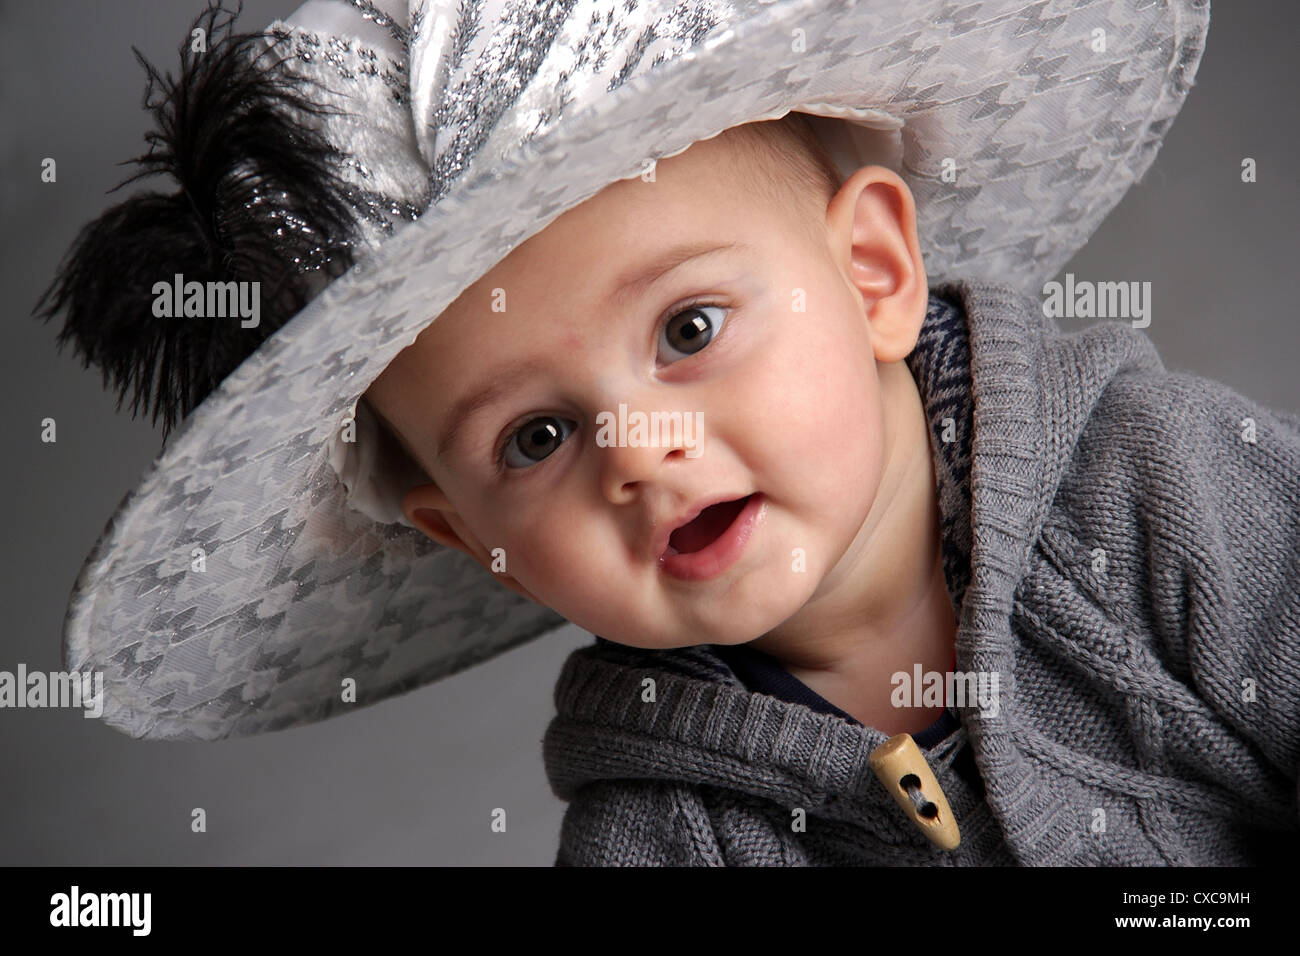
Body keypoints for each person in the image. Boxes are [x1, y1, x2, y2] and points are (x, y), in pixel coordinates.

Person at [37, 0, 1299, 865]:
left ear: (870, 271)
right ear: (470, 536)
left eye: (689, 329)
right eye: (534, 438)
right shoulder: (656, 820)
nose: (636, 449)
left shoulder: (1153, 480)